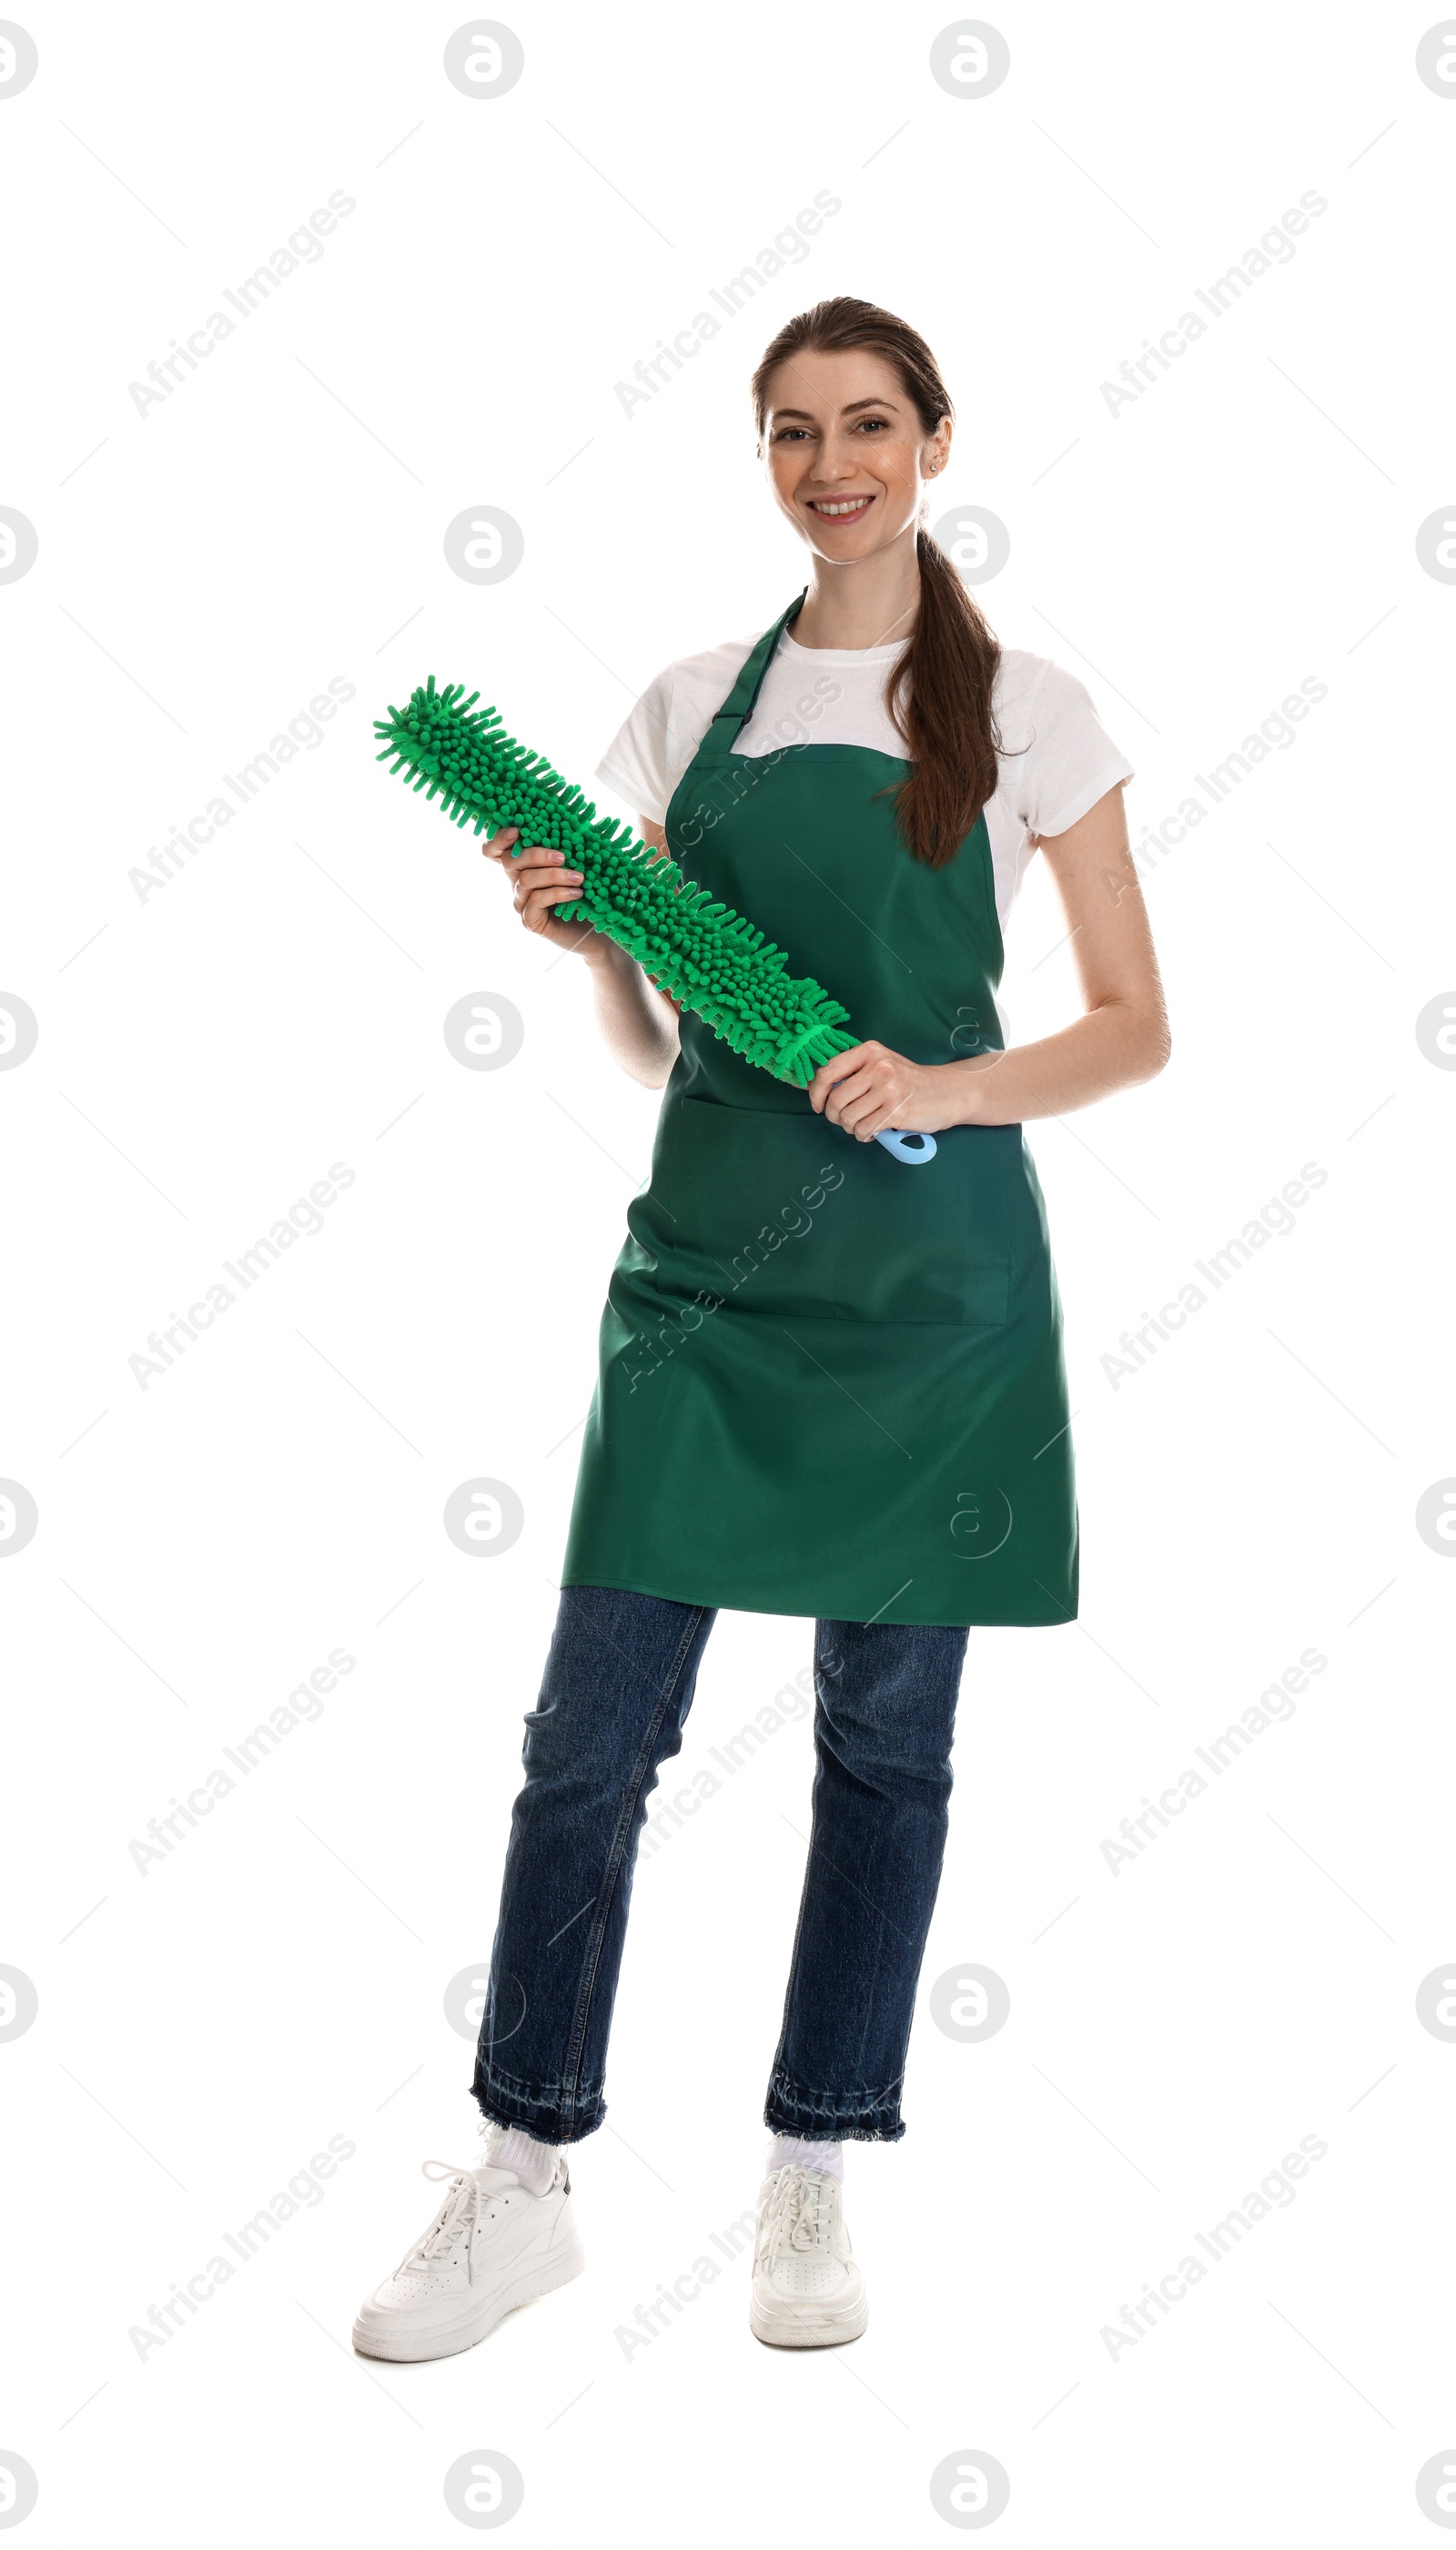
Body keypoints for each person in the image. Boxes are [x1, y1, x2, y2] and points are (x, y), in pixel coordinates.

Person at [353, 295, 1168, 2364]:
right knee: (580, 1747)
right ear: (763, 457)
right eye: (794, 430)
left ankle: (809, 2179)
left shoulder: (1030, 710)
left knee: (882, 1751)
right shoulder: (682, 700)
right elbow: (662, 1050)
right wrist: (588, 944)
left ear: (935, 440)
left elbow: (1130, 1028)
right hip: (702, 1288)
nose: (834, 462)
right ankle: (524, 2174)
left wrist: (939, 1083)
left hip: (932, 1297)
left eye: (869, 423)